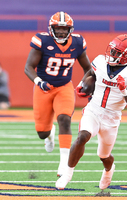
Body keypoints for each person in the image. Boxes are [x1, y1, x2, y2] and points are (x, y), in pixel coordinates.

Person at [55, 34, 127, 190]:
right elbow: (91, 74)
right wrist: (83, 85)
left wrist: (123, 91)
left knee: (104, 156)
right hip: (94, 110)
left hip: (112, 118)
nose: (112, 54)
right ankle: (67, 173)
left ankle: (109, 170)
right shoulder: (100, 61)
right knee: (82, 136)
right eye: (112, 50)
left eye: (117, 52)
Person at [24, 11, 91, 176]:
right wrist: (39, 81)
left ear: (70, 29)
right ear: (51, 28)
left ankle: (64, 164)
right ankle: (49, 135)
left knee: (64, 119)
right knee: (42, 132)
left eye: (64, 28)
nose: (61, 31)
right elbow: (28, 67)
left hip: (64, 87)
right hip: (43, 88)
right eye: (57, 28)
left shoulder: (77, 42)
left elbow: (88, 68)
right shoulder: (42, 41)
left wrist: (84, 83)